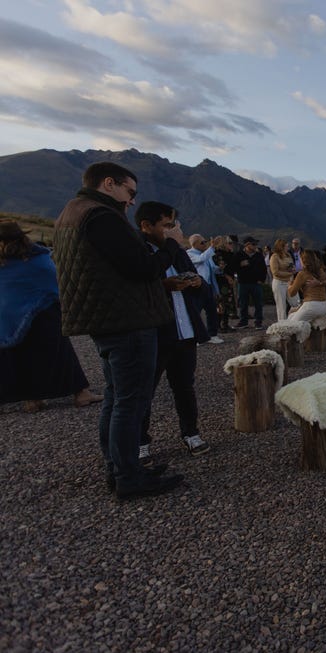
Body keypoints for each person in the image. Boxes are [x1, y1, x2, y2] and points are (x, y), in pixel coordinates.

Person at [52, 161, 183, 499]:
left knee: (116, 396)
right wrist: (171, 245)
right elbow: (141, 268)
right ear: (109, 183)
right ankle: (128, 476)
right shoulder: (101, 216)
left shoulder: (72, 213)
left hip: (107, 319)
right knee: (131, 400)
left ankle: (120, 467)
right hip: (127, 320)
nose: (131, 201)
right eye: (130, 192)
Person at [0, 219, 102, 413]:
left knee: (13, 356)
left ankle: (32, 398)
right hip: (41, 313)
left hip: (6, 318)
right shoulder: (35, 258)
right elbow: (52, 282)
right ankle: (81, 393)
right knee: (59, 351)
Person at [136, 203, 211, 461]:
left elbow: (202, 290)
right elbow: (138, 285)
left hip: (185, 331)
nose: (172, 231)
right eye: (167, 225)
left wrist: (197, 283)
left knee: (185, 387)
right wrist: (164, 286)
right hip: (156, 333)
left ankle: (190, 432)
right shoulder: (139, 250)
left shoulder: (178, 253)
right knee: (145, 389)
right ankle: (140, 442)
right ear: (146, 226)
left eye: (173, 225)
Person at [186, 233, 223, 343]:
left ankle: (212, 334)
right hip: (196, 286)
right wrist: (211, 247)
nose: (205, 244)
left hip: (208, 286)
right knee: (195, 311)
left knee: (211, 311)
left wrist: (219, 268)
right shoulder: (190, 254)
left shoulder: (206, 254)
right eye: (202, 242)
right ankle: (195, 336)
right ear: (194, 244)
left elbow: (211, 268)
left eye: (205, 241)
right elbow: (200, 260)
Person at [287, 250, 326, 322]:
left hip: (312, 306)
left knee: (292, 324)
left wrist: (290, 285)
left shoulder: (302, 274)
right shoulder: (321, 271)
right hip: (324, 305)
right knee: (291, 316)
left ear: (303, 260)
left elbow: (291, 293)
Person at [233, 236, 267, 329]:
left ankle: (258, 322)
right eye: (253, 244)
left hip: (256, 283)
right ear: (247, 245)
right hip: (243, 282)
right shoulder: (239, 255)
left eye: (256, 244)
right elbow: (233, 267)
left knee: (258, 303)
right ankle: (243, 321)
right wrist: (240, 264)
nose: (256, 246)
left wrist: (262, 280)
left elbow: (264, 269)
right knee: (243, 303)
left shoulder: (259, 255)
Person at [210, 235, 237, 333]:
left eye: (231, 243)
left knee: (228, 302)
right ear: (223, 244)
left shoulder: (229, 254)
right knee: (221, 302)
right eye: (229, 243)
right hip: (221, 282)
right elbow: (219, 268)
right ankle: (219, 325)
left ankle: (225, 323)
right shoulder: (219, 254)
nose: (231, 245)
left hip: (228, 282)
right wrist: (227, 276)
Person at [269, 238, 299, 321]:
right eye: (286, 246)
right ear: (281, 247)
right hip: (279, 283)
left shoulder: (288, 255)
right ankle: (282, 326)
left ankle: (295, 321)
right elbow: (275, 272)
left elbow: (292, 265)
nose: (288, 247)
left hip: (289, 282)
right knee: (281, 306)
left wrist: (293, 269)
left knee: (296, 303)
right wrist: (290, 273)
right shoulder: (274, 257)